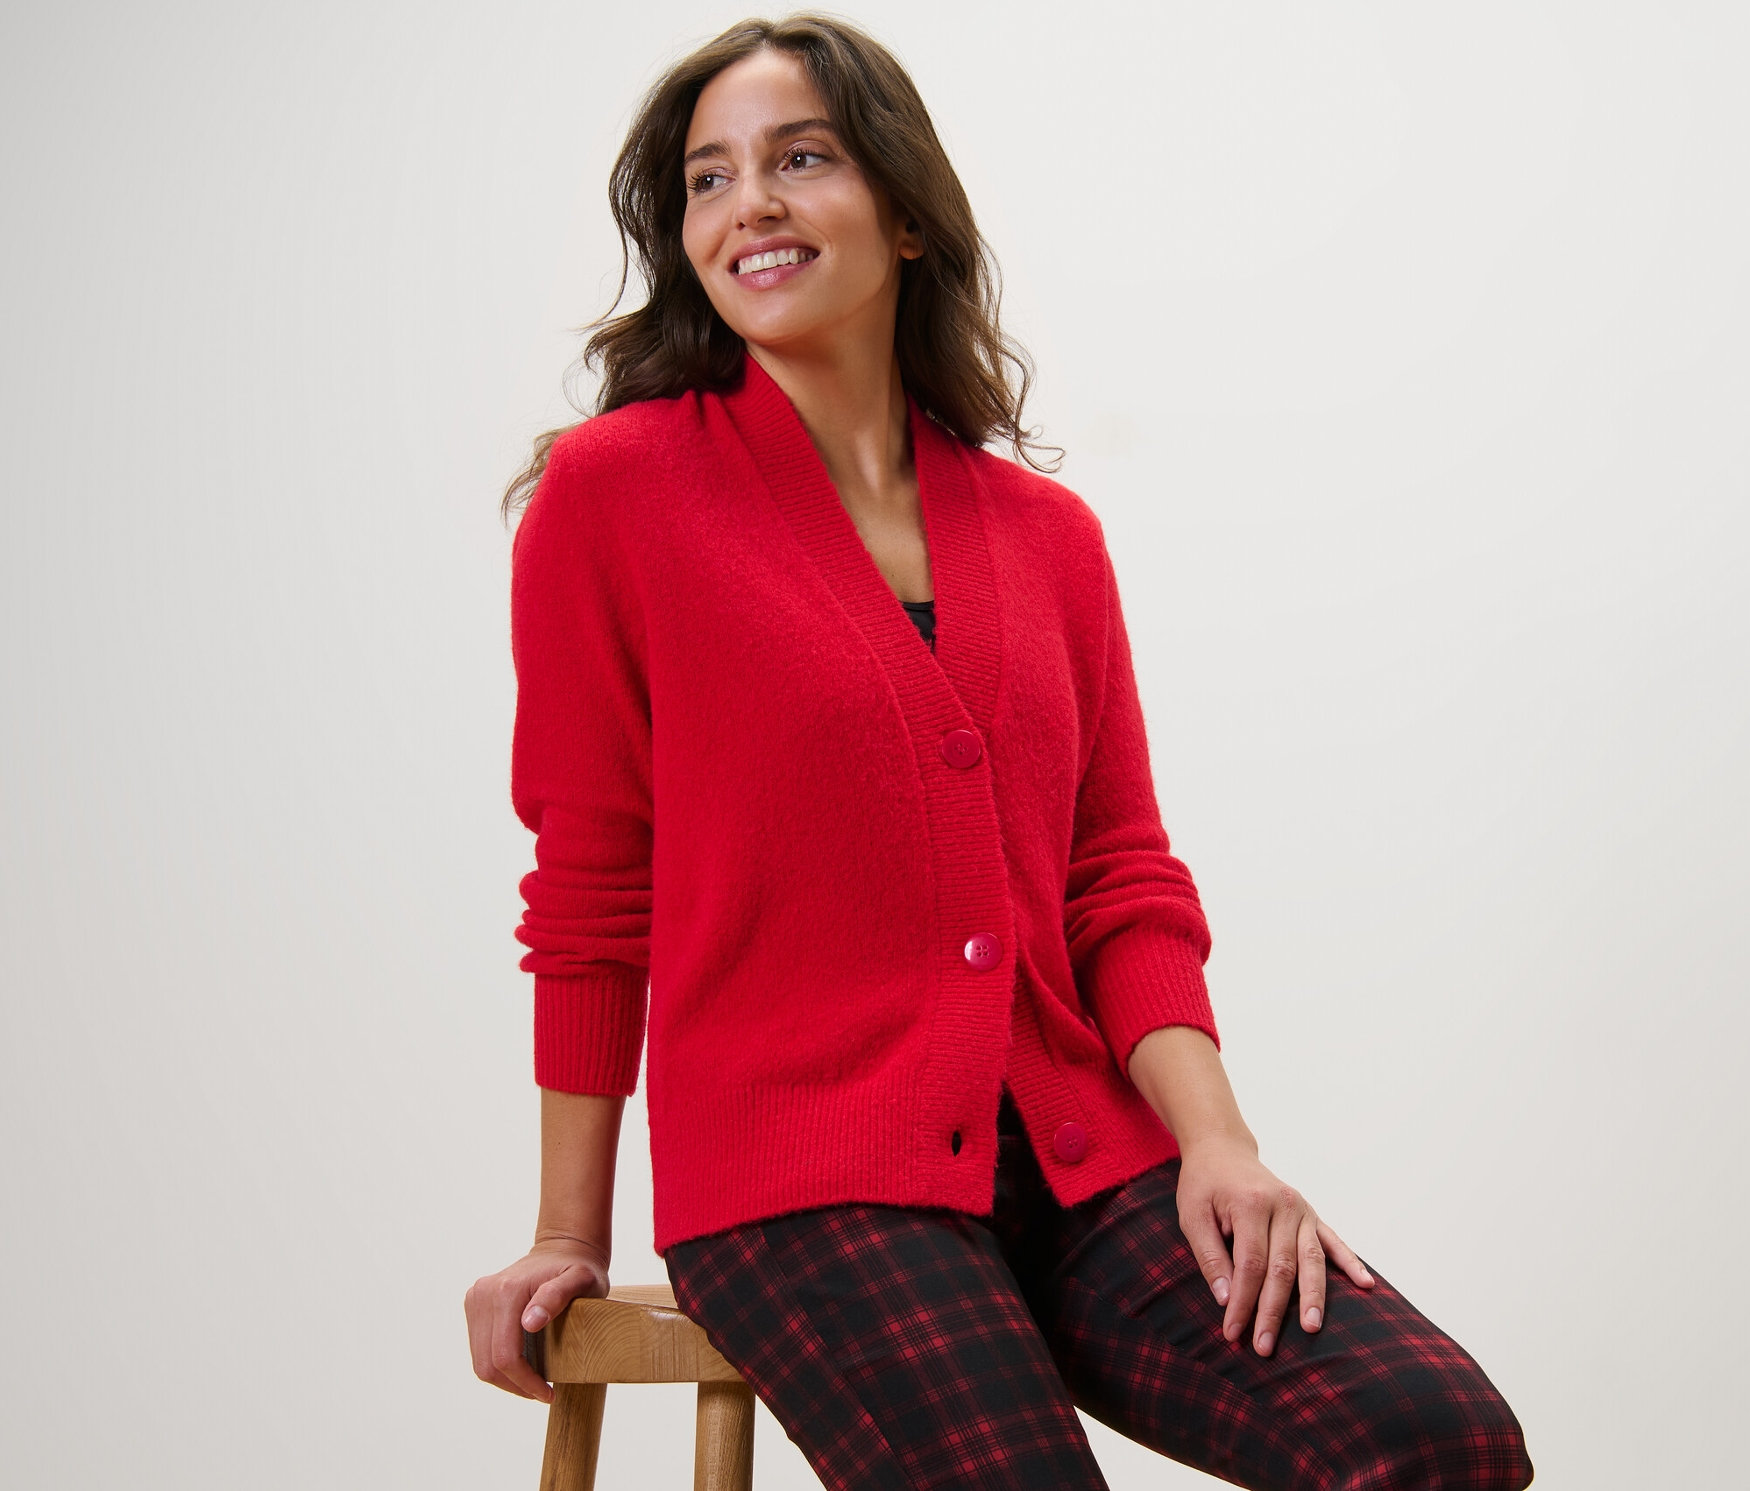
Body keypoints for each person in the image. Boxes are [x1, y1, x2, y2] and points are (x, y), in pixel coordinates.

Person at [465, 13, 1535, 1489]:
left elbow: (1118, 877)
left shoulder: (1046, 540)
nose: (748, 205)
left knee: (1434, 1442)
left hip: (1085, 1158)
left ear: (905, 214)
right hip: (805, 1184)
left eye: (801, 158)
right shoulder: (615, 498)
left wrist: (1217, 1147)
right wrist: (567, 1234)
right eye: (707, 180)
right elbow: (590, 885)